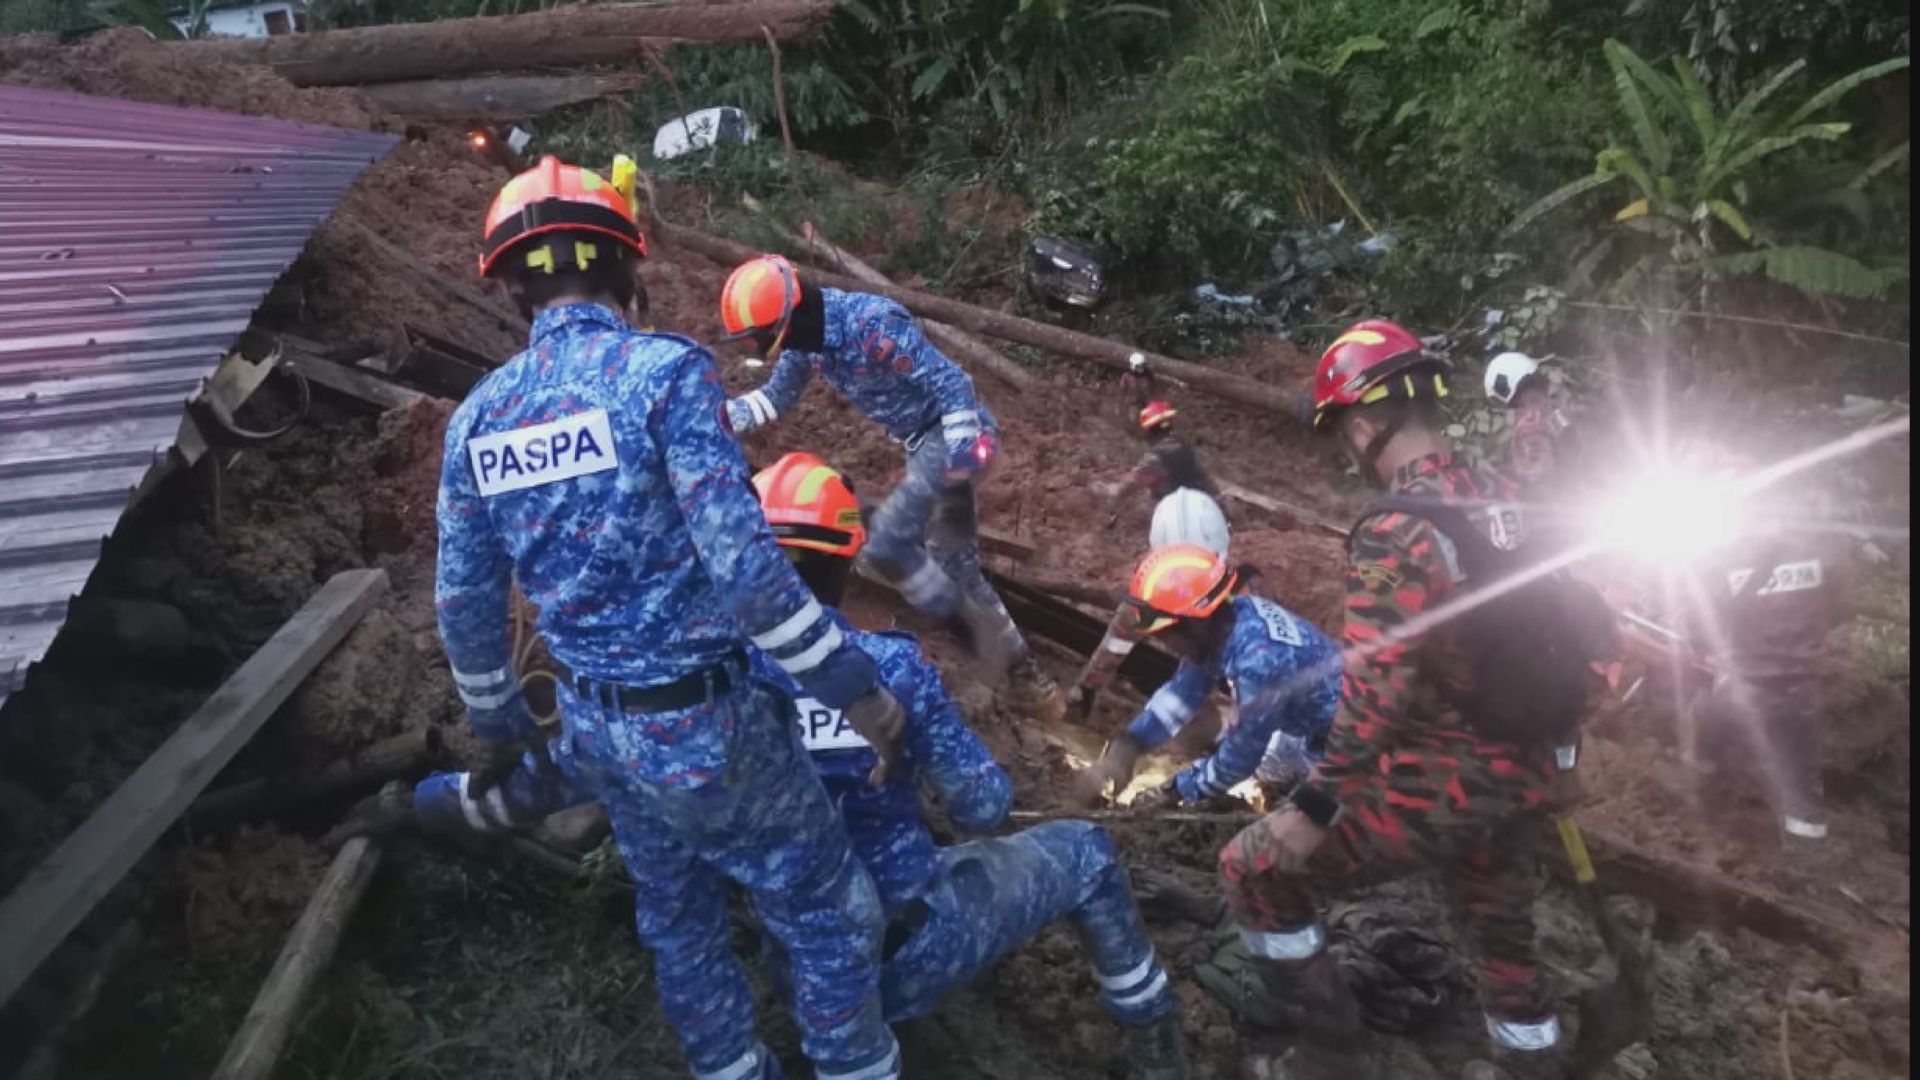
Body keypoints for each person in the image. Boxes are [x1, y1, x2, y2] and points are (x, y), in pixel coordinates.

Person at [400, 452, 1190, 1079]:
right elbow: (985, 806)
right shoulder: (892, 673)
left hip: (795, 970)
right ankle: (1160, 1054)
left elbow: (539, 783)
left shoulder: (694, 696)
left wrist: (421, 801)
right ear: (847, 564)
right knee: (1088, 855)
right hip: (911, 947)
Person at [438, 157, 905, 1080]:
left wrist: (497, 731)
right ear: (628, 271)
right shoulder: (664, 377)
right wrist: (860, 694)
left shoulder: (476, 421)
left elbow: (464, 603)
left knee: (679, 921)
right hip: (709, 726)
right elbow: (747, 571)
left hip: (597, 729)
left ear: (509, 290)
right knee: (827, 909)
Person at [1214, 319, 1582, 1080]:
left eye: (1346, 433)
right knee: (1503, 943)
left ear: (1368, 421)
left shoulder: (1395, 530)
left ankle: (1328, 1053)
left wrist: (1312, 809)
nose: (1349, 450)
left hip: (1441, 780)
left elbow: (1374, 697)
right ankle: (1533, 1066)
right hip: (1528, 770)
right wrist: (1564, 757)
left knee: (1252, 868)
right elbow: (1574, 641)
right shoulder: (1515, 499)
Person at [716, 254, 1064, 721]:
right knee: (955, 564)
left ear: (786, 318)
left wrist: (959, 478)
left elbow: (955, 385)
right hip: (921, 444)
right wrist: (710, 420)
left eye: (760, 337)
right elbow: (774, 399)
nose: (762, 347)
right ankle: (1023, 670)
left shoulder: (870, 324)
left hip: (959, 434)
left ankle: (974, 635)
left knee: (888, 542)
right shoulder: (807, 344)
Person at [1073, 545, 1340, 811]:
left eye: (1165, 634)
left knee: (1309, 815)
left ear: (1193, 622)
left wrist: (1176, 790)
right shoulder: (1230, 620)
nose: (1166, 644)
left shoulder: (1259, 662)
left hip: (1352, 739)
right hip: (1310, 720)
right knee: (1269, 769)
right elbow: (1183, 693)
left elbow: (1240, 757)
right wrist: (1129, 745)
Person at [1070, 402, 1234, 718]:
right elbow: (1213, 488)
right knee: (1215, 645)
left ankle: (1084, 696)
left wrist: (1104, 490)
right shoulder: (1186, 449)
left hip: (1177, 555)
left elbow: (1125, 487)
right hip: (1203, 552)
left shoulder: (1155, 459)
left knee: (1128, 628)